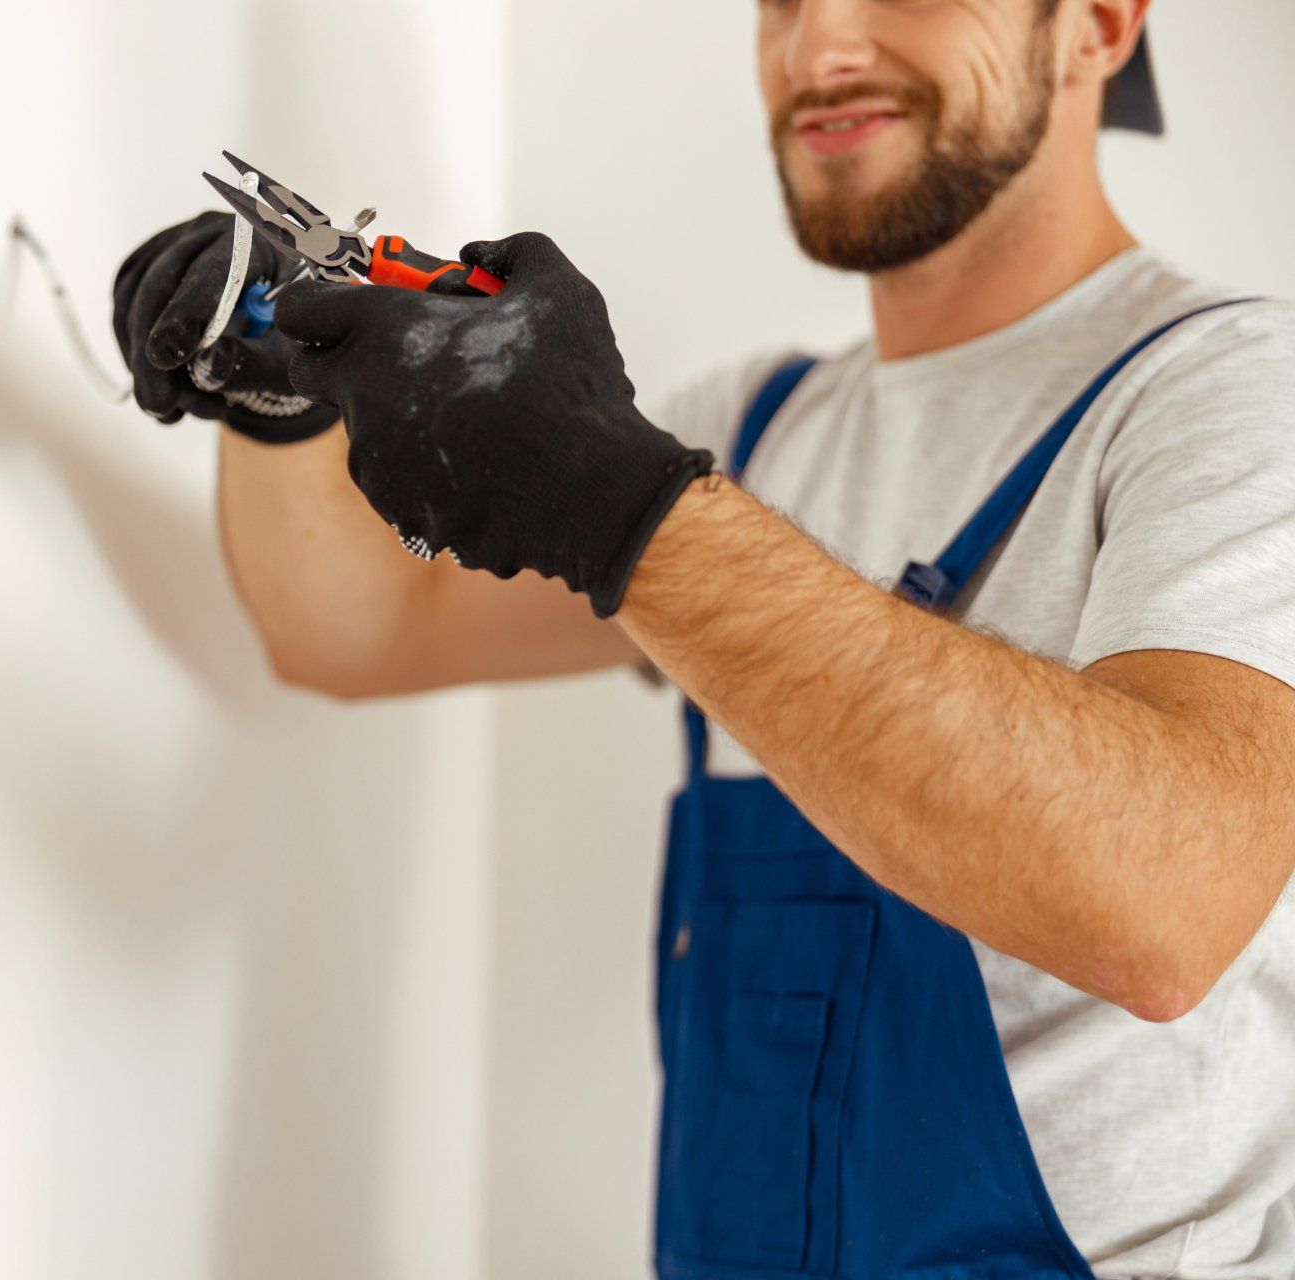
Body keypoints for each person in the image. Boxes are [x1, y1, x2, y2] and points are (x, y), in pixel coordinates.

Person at [110, 1, 1295, 1274]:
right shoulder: (761, 425)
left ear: (1103, 24)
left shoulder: (1227, 392)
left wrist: (620, 498)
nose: (819, 50)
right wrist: (286, 402)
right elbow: (358, 626)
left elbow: (1164, 905)